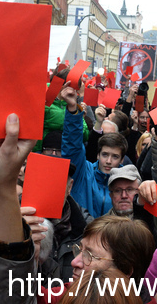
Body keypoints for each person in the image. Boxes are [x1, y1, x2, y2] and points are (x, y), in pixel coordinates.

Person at [60, 83, 129, 217]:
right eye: (105, 155)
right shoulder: (83, 173)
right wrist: (73, 108)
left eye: (114, 157)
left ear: (122, 160)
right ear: (97, 155)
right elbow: (72, 146)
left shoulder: (126, 184)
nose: (108, 161)